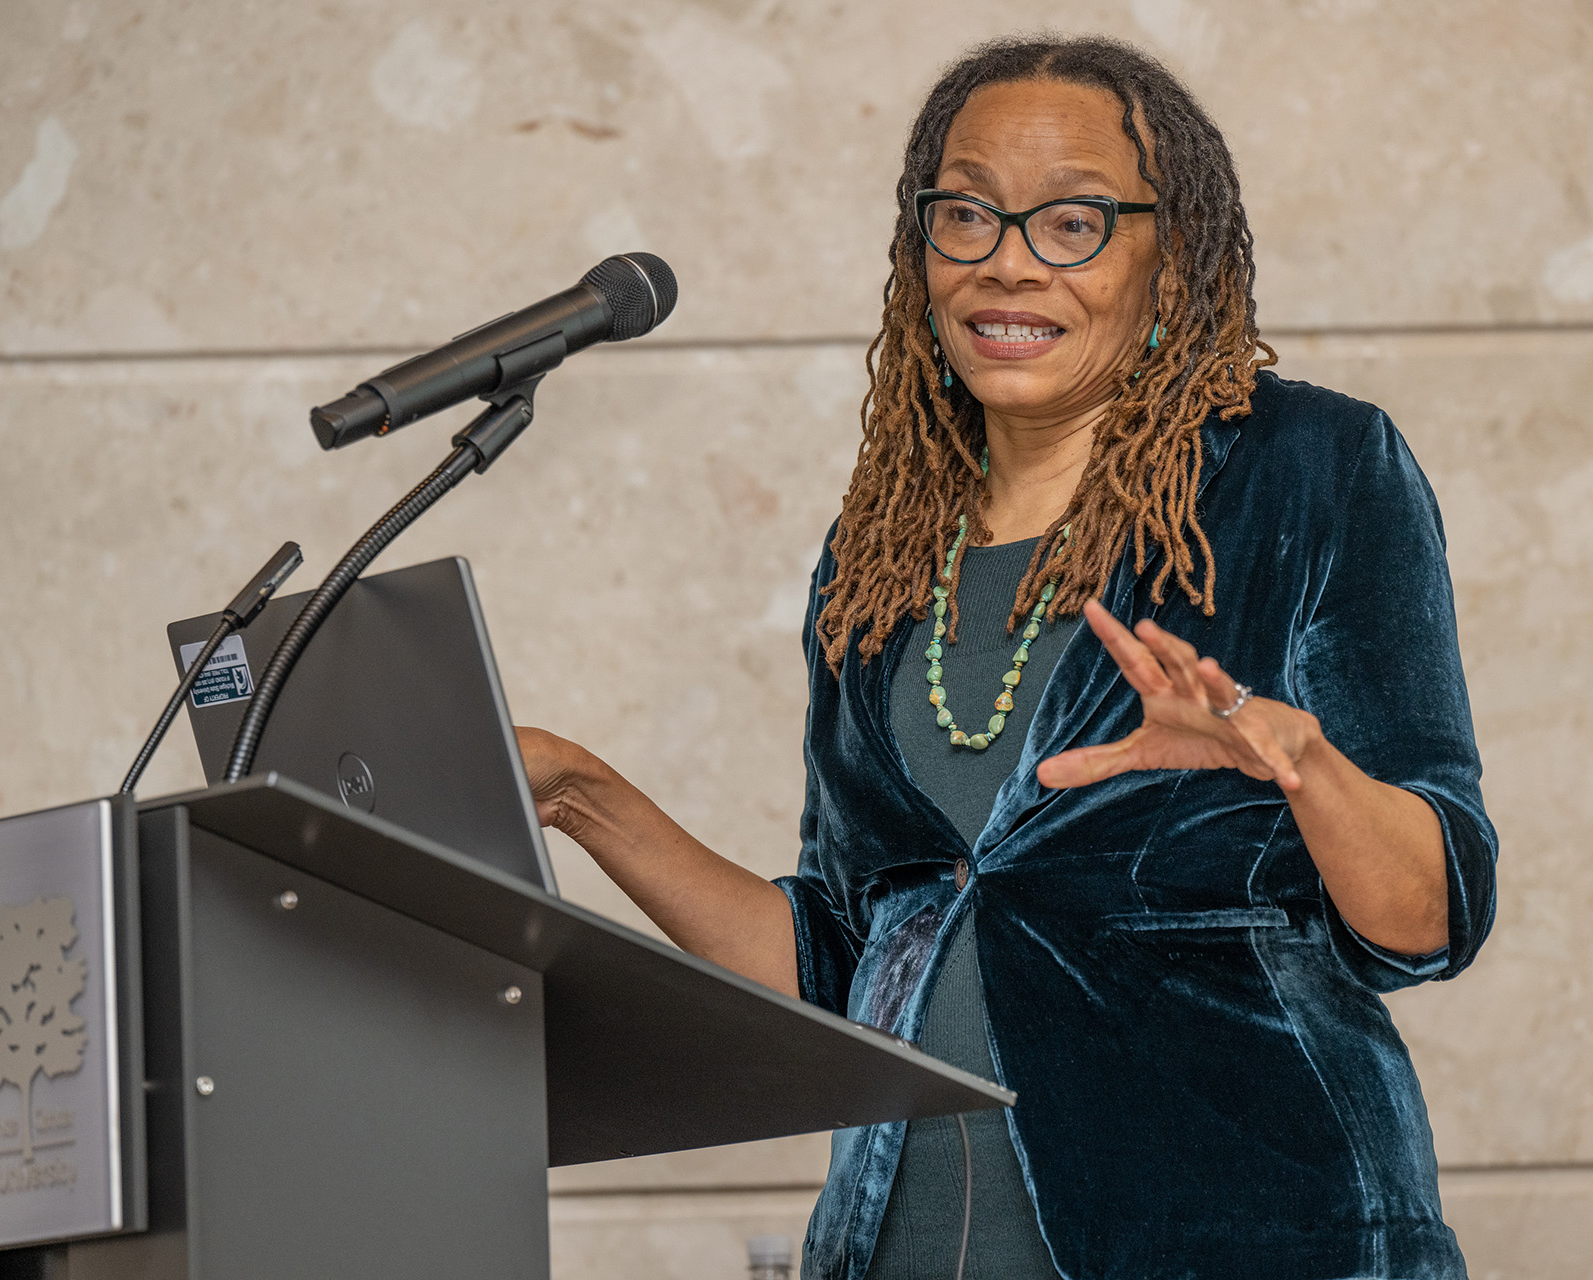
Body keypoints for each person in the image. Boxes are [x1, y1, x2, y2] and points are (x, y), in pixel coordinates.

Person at [517, 34, 1495, 1280]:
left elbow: (1434, 911)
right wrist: (579, 794)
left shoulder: (1308, 473)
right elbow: (846, 963)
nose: (1008, 262)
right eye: (966, 214)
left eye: (1073, 221)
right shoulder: (874, 554)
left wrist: (1295, 759)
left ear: (1171, 254)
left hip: (1251, 1241)